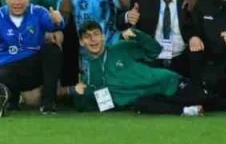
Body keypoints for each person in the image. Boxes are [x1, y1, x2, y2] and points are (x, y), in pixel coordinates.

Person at [72, 22, 209, 116]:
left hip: (167, 84)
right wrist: (78, 93)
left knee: (207, 100)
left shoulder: (120, 48)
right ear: (81, 42)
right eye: (87, 36)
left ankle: (212, 103)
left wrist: (137, 34)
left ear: (103, 36)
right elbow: (91, 106)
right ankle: (187, 111)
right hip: (148, 101)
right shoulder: (88, 75)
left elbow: (155, 50)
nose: (93, 39)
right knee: (142, 105)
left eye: (96, 34)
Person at [120, 0, 192, 77]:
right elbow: (119, 22)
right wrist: (128, 16)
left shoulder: (189, 0)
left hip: (181, 59)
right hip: (151, 60)